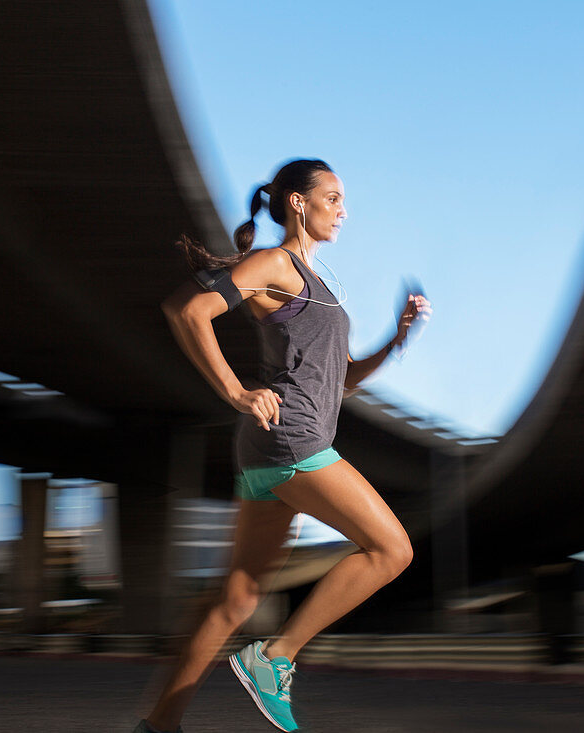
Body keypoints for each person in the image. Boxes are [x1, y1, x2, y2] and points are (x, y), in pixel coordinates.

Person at [136, 159, 431, 733]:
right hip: (292, 438)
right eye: (334, 197)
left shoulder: (317, 284)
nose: (344, 209)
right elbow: (188, 310)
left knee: (235, 600)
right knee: (392, 551)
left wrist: (396, 340)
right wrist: (236, 391)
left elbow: (341, 379)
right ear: (298, 202)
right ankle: (275, 658)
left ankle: (158, 725)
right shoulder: (274, 263)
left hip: (275, 447)